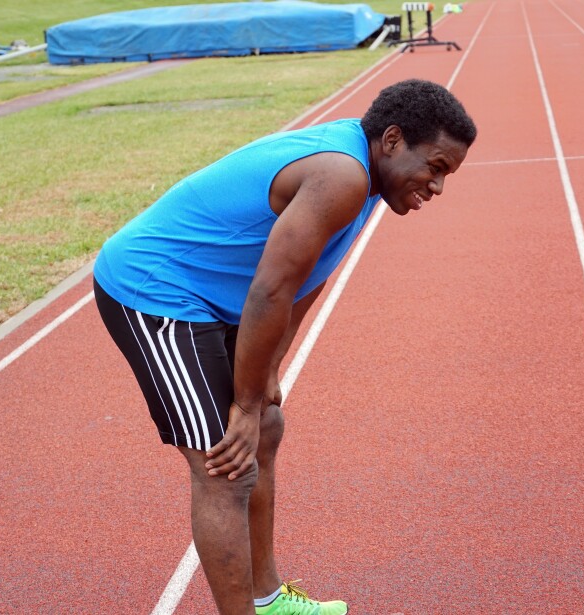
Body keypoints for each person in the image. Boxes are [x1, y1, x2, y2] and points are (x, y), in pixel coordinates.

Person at [93, 78, 476, 615]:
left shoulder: (368, 178)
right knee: (225, 466)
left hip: (210, 298)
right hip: (156, 291)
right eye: (435, 168)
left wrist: (269, 371)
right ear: (392, 140)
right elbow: (270, 289)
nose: (437, 187)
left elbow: (305, 278)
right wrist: (243, 404)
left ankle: (268, 600)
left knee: (264, 430)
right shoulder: (341, 175)